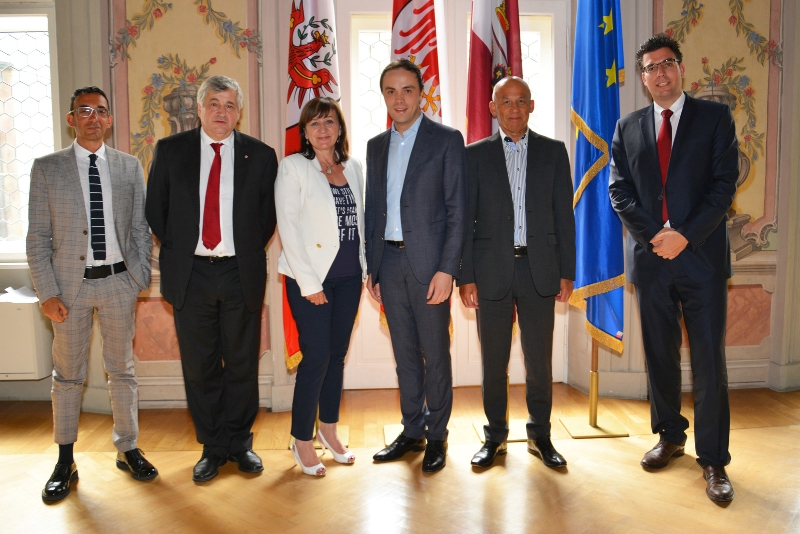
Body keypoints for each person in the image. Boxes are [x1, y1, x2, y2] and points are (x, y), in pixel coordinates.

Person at [608, 34, 739, 502]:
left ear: (680, 68)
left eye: (667, 64)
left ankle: (714, 460)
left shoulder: (715, 118)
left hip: (701, 260)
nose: (659, 73)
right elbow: (619, 191)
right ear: (642, 78)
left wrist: (685, 235)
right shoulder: (627, 127)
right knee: (660, 356)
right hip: (652, 263)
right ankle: (669, 436)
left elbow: (724, 185)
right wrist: (656, 237)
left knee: (708, 361)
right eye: (650, 67)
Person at [27, 86, 157, 503]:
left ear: (109, 119)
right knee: (68, 376)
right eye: (84, 111)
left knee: (122, 371)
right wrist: (47, 292)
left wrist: (138, 277)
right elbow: (37, 237)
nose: (93, 118)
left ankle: (128, 448)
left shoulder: (128, 166)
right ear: (71, 119)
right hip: (69, 289)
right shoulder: (47, 168)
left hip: (119, 283)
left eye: (100, 111)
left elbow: (139, 227)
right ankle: (65, 460)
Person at [145, 75, 278, 482]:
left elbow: (267, 217)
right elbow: (156, 211)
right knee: (200, 366)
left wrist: (239, 249)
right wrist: (186, 248)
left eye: (230, 105)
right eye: (214, 104)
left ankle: (240, 443)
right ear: (200, 110)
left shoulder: (261, 155)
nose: (222, 112)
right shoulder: (170, 151)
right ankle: (213, 446)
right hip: (192, 273)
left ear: (239, 113)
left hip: (240, 272)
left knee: (241, 362)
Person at [458, 77, 575, 469]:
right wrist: (466, 276)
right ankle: (495, 437)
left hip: (540, 270)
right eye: (505, 102)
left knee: (539, 360)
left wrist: (567, 271)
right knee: (494, 362)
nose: (513, 109)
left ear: (531, 105)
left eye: (520, 101)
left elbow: (564, 216)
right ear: (493, 107)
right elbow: (465, 220)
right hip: (490, 270)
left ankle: (540, 435)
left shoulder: (553, 152)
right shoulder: (473, 155)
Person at [365, 59, 467, 473]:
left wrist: (448, 269)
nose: (399, 99)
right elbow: (373, 209)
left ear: (421, 94)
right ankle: (412, 430)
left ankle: (438, 436)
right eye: (391, 91)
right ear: (384, 96)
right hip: (388, 264)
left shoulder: (446, 140)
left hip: (430, 267)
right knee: (404, 354)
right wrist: (372, 267)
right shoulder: (375, 146)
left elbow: (458, 210)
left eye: (407, 90)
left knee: (435, 355)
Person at [275, 97, 364, 476]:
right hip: (309, 278)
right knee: (317, 358)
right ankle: (301, 439)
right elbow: (289, 226)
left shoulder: (354, 167)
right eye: (314, 123)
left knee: (337, 356)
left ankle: (328, 429)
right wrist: (309, 283)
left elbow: (362, 223)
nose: (323, 129)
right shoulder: (293, 167)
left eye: (329, 122)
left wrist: (367, 271)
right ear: (305, 132)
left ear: (340, 128)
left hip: (350, 277)